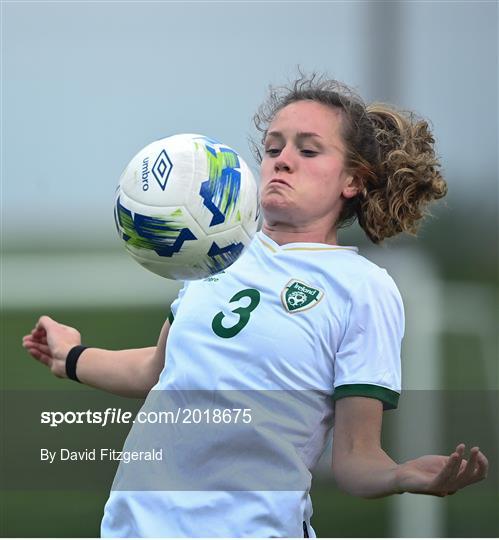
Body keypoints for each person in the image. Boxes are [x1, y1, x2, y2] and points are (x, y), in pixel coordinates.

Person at [23, 74, 488, 538]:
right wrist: (72, 356)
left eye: (308, 150)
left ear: (352, 179)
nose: (283, 161)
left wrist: (401, 475)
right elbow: (156, 369)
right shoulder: (218, 253)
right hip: (134, 528)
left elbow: (355, 459)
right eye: (273, 148)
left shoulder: (363, 288)